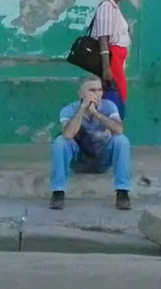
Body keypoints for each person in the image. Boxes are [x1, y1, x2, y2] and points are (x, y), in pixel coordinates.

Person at [49, 76, 132, 210]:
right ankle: (58, 192)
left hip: (102, 158)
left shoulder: (109, 106)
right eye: (91, 90)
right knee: (60, 142)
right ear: (81, 94)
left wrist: (96, 113)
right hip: (79, 160)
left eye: (99, 90)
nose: (97, 94)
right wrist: (82, 110)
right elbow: (68, 134)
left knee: (121, 140)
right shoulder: (69, 110)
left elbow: (119, 129)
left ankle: (122, 193)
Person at [90, 0, 131, 119]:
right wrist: (107, 68)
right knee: (115, 96)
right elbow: (103, 39)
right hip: (112, 60)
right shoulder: (107, 7)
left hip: (117, 59)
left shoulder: (114, 7)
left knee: (119, 94)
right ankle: (111, 128)